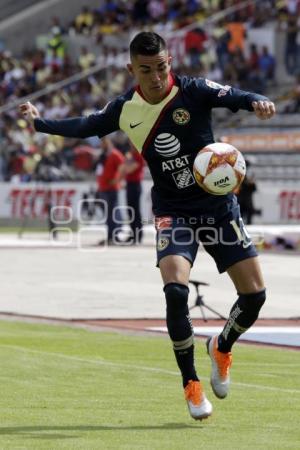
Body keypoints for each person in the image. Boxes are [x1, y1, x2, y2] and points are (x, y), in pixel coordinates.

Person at [19, 31, 276, 421]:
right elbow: (85, 125)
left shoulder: (194, 90)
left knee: (255, 296)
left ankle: (221, 346)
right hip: (174, 212)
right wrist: (41, 125)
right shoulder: (125, 109)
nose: (156, 77)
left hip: (220, 209)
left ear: (169, 62)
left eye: (161, 68)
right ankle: (190, 384)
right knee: (175, 291)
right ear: (131, 69)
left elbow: (235, 95)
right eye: (146, 70)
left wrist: (256, 101)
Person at [94, 136, 125, 245]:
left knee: (112, 213)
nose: (102, 144)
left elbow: (122, 166)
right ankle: (110, 236)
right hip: (103, 188)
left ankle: (114, 236)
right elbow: (99, 171)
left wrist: (117, 180)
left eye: (104, 142)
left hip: (111, 189)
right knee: (108, 214)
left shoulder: (114, 154)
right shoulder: (103, 155)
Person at [121, 145, 145, 244]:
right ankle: (132, 234)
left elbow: (128, 169)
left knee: (135, 211)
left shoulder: (138, 156)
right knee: (130, 211)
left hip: (135, 185)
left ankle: (138, 234)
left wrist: (128, 160)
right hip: (130, 185)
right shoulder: (131, 156)